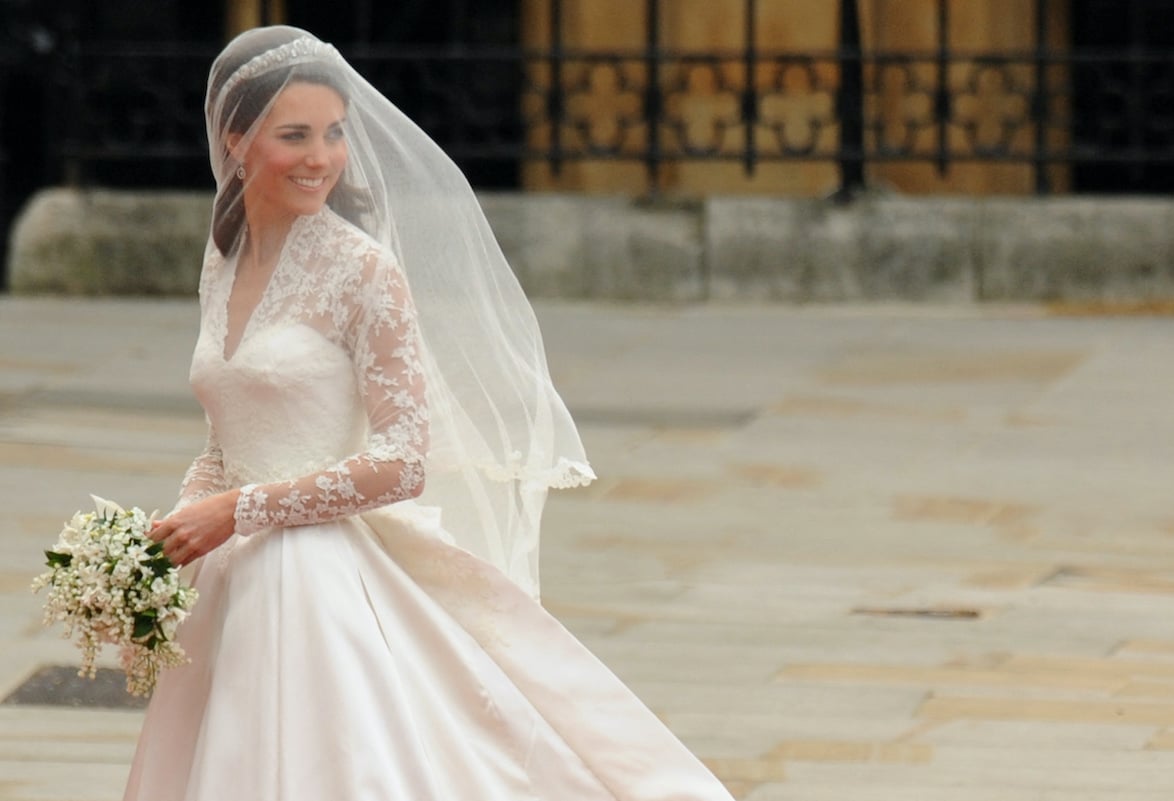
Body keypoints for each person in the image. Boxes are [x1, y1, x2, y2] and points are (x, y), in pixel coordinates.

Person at [124, 25, 736, 801]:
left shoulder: (362, 272)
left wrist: (237, 510)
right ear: (237, 142)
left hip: (318, 577)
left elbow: (402, 461)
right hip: (231, 573)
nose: (322, 155)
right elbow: (227, 431)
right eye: (295, 135)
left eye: (335, 133)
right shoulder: (224, 256)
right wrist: (175, 528)